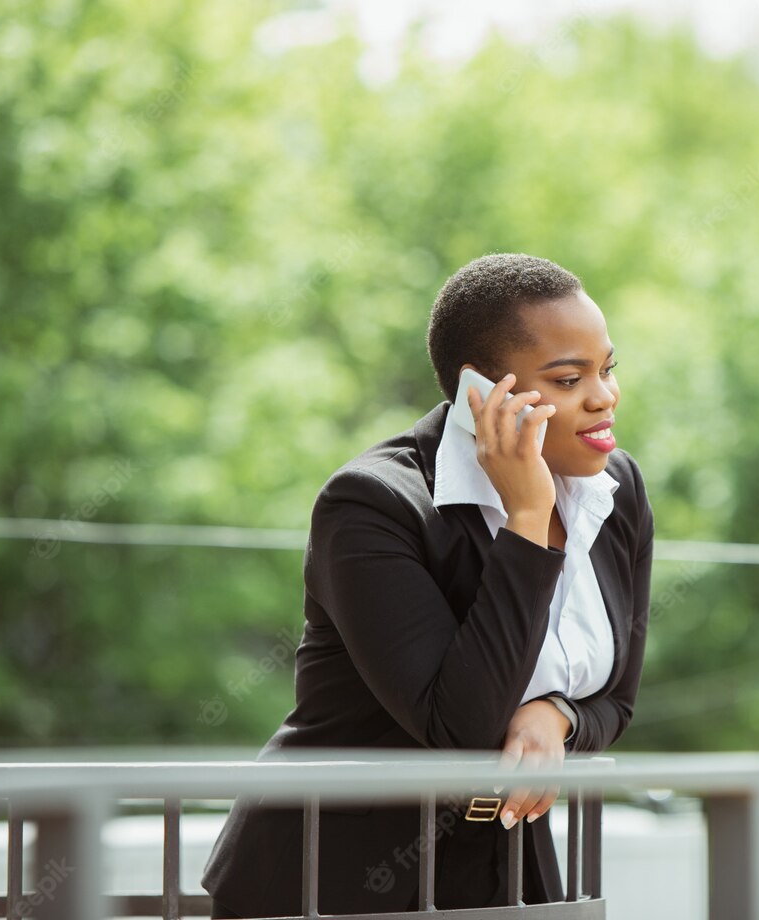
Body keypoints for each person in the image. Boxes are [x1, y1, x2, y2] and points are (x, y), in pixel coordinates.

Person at [200, 252, 655, 917]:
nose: (603, 396)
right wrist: (526, 523)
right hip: (330, 882)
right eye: (567, 378)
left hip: (506, 881)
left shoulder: (616, 491)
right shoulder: (371, 505)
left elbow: (617, 697)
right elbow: (460, 728)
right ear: (481, 396)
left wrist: (555, 715)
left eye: (606, 369)